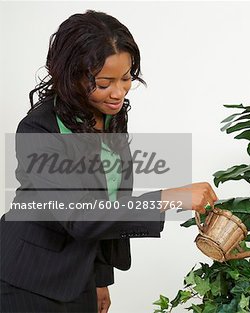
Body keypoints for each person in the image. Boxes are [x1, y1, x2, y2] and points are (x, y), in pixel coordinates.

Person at [0, 10, 217, 313]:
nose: (119, 92)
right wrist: (170, 199)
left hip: (80, 278)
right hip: (28, 278)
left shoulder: (111, 116)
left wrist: (101, 277)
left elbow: (112, 198)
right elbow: (81, 215)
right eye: (105, 83)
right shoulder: (38, 129)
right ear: (72, 76)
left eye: (126, 78)